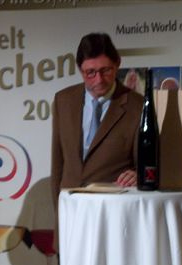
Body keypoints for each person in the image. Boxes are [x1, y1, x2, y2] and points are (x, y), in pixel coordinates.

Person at [50, 32, 143, 213]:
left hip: (112, 210)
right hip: (70, 208)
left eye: (105, 70)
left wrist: (137, 174)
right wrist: (59, 214)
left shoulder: (137, 106)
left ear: (117, 64)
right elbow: (58, 164)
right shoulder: (63, 100)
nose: (99, 79)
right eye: (90, 72)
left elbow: (146, 164)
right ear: (80, 69)